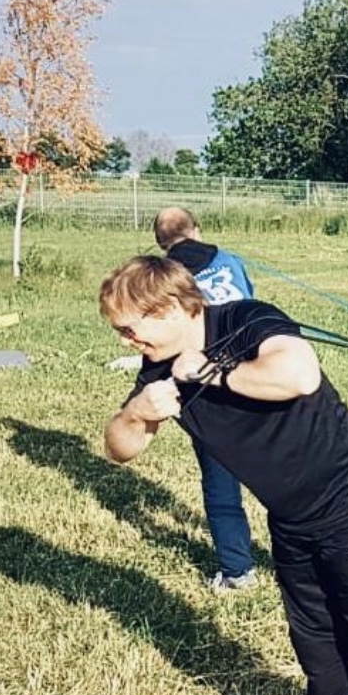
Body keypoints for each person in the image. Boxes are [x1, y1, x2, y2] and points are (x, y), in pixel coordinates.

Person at [100, 255, 348, 695]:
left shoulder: (246, 320)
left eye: (132, 327)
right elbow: (118, 449)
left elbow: (299, 376)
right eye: (120, 332)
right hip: (288, 510)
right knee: (315, 637)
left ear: (173, 308)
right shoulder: (156, 373)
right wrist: (136, 414)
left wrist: (211, 373)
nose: (128, 340)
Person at [152, 206, 260, 591]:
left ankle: (237, 572)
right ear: (196, 231)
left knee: (221, 484)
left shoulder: (163, 279)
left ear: (160, 242)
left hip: (206, 391)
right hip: (255, 377)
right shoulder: (231, 261)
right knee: (281, 474)